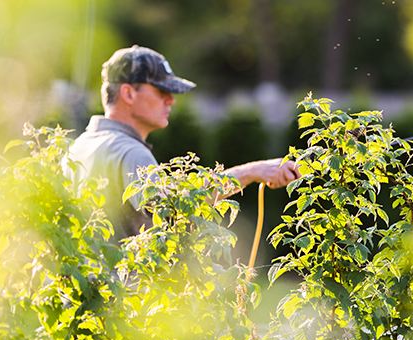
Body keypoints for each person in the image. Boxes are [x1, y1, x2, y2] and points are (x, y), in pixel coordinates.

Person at [65, 45, 300, 241]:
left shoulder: (77, 147)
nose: (171, 100)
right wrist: (252, 171)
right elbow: (176, 210)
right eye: (161, 90)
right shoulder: (130, 152)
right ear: (128, 94)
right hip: (120, 295)